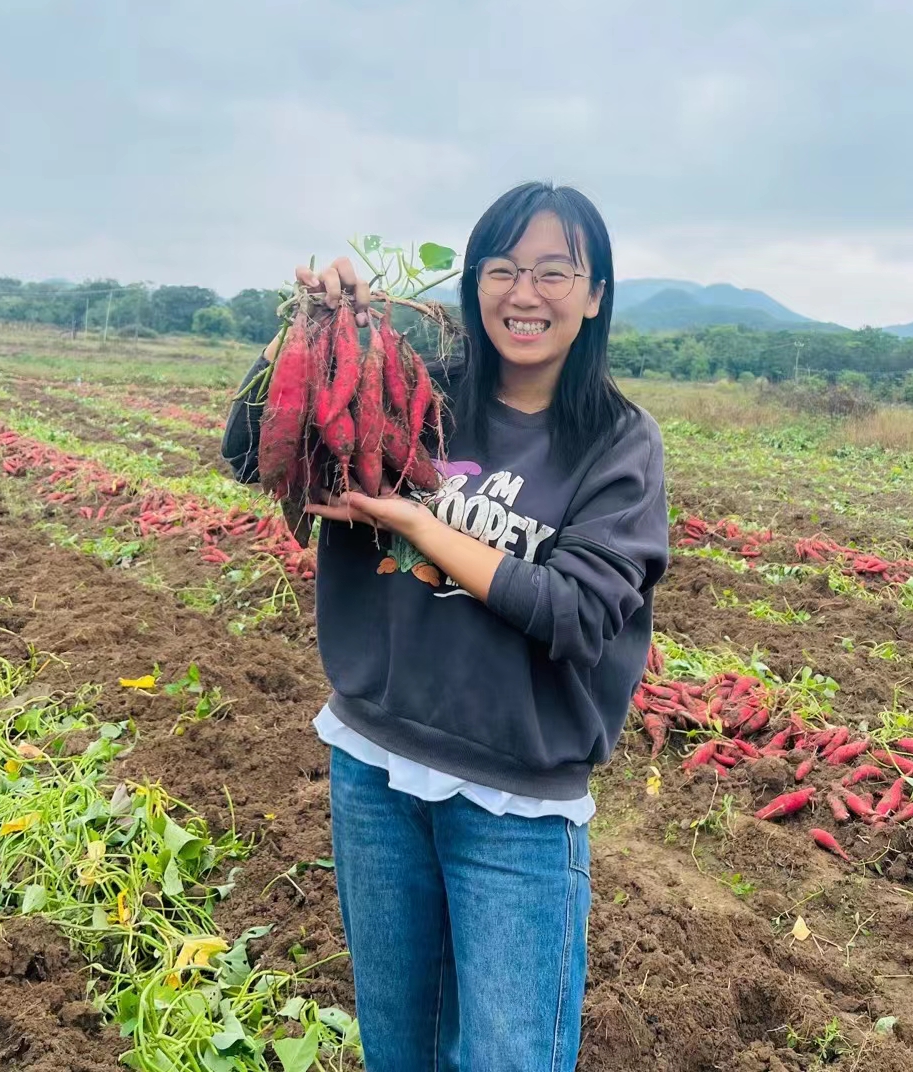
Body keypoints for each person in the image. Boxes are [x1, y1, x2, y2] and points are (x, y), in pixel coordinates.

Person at [222, 182, 669, 1072]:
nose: (524, 293)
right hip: (376, 773)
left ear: (595, 293)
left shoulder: (618, 444)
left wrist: (422, 523)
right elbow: (252, 452)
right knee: (400, 1051)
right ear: (473, 285)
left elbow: (579, 614)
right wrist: (310, 333)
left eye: (553, 272)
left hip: (517, 808)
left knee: (509, 1057)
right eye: (502, 269)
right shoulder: (416, 390)